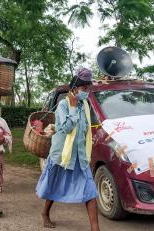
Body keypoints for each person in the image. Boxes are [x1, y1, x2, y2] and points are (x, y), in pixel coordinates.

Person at [36, 68, 100, 231]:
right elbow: (65, 129)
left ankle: (95, 228)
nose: (86, 91)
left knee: (90, 191)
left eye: (88, 88)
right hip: (62, 154)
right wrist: (72, 108)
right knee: (54, 185)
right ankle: (45, 213)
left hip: (79, 155)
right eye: (84, 88)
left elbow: (86, 129)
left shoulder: (85, 105)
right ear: (75, 88)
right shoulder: (63, 106)